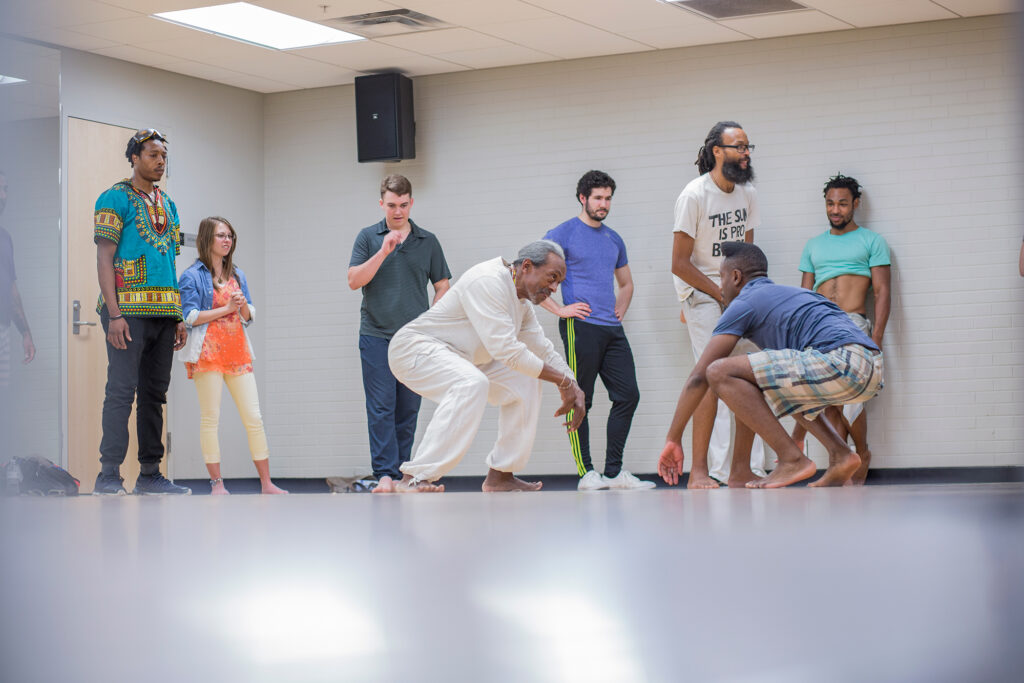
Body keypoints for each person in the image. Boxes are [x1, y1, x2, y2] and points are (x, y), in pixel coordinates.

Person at [658, 242, 884, 489]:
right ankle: (840, 455)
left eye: (721, 278)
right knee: (754, 374)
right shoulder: (786, 299)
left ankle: (792, 460)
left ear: (735, 277)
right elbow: (794, 382)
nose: (720, 287)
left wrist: (673, 438)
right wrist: (798, 436)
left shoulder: (744, 303)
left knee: (718, 371)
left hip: (841, 360)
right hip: (868, 365)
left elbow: (700, 377)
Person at [386, 240, 586, 493]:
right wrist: (563, 382)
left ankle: (501, 475)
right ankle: (414, 477)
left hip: (464, 358)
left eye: (559, 282)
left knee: (527, 378)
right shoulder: (488, 281)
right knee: (471, 382)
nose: (554, 288)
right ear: (526, 266)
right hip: (414, 349)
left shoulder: (521, 304)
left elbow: (542, 350)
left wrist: (573, 383)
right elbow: (507, 352)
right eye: (552, 277)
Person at [541, 170, 652, 491]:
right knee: (580, 399)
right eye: (598, 198)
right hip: (581, 327)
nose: (603, 204)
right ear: (583, 198)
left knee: (628, 395)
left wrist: (621, 307)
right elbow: (531, 277)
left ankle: (614, 473)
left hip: (611, 329)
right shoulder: (562, 234)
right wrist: (561, 309)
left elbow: (627, 283)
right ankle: (586, 472)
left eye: (608, 198)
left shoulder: (613, 239)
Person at [93, 129, 190, 495]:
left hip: (164, 314)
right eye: (152, 154)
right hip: (126, 314)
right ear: (134, 157)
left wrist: (177, 314)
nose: (160, 161)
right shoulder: (113, 198)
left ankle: (150, 473)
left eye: (163, 155)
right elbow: (104, 257)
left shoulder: (170, 204)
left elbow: (169, 263)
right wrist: (114, 314)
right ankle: (108, 475)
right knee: (121, 391)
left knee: (155, 394)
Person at [671, 120, 767, 488]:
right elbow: (679, 263)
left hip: (736, 292)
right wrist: (715, 296)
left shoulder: (748, 193)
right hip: (704, 292)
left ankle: (749, 469)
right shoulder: (694, 195)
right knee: (712, 377)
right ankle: (704, 471)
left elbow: (748, 252)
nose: (745, 154)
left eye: (747, 147)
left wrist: (750, 294)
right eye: (738, 147)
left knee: (747, 374)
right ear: (717, 151)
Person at [348, 174, 451, 493]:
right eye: (391, 205)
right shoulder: (368, 237)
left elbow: (443, 286)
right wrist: (383, 252)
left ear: (411, 203)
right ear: (382, 204)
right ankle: (384, 476)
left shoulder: (428, 241)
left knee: (408, 408)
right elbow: (354, 281)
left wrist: (433, 322)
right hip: (376, 335)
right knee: (381, 407)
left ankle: (403, 474)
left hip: (416, 340)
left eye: (403, 205)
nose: (397, 211)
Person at [791, 174, 891, 484]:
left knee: (852, 398)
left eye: (843, 204)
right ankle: (840, 456)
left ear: (855, 204)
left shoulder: (872, 241)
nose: (836, 210)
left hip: (853, 325)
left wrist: (875, 339)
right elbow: (805, 296)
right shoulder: (813, 245)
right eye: (831, 203)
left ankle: (862, 451)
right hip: (819, 328)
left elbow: (883, 292)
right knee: (826, 396)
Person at [178, 217, 287, 495]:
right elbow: (189, 317)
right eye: (221, 236)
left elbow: (249, 315)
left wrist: (240, 307)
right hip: (207, 355)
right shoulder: (192, 276)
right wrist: (227, 308)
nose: (227, 241)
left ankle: (266, 483)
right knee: (210, 418)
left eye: (230, 236)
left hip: (238, 352)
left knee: (254, 417)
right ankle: (217, 485)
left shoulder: (238, 274)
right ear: (207, 240)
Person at [0, 170, 35, 389]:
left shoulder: (4, 238)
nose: (3, 196)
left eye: (4, 190)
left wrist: (25, 332)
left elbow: (10, 289)